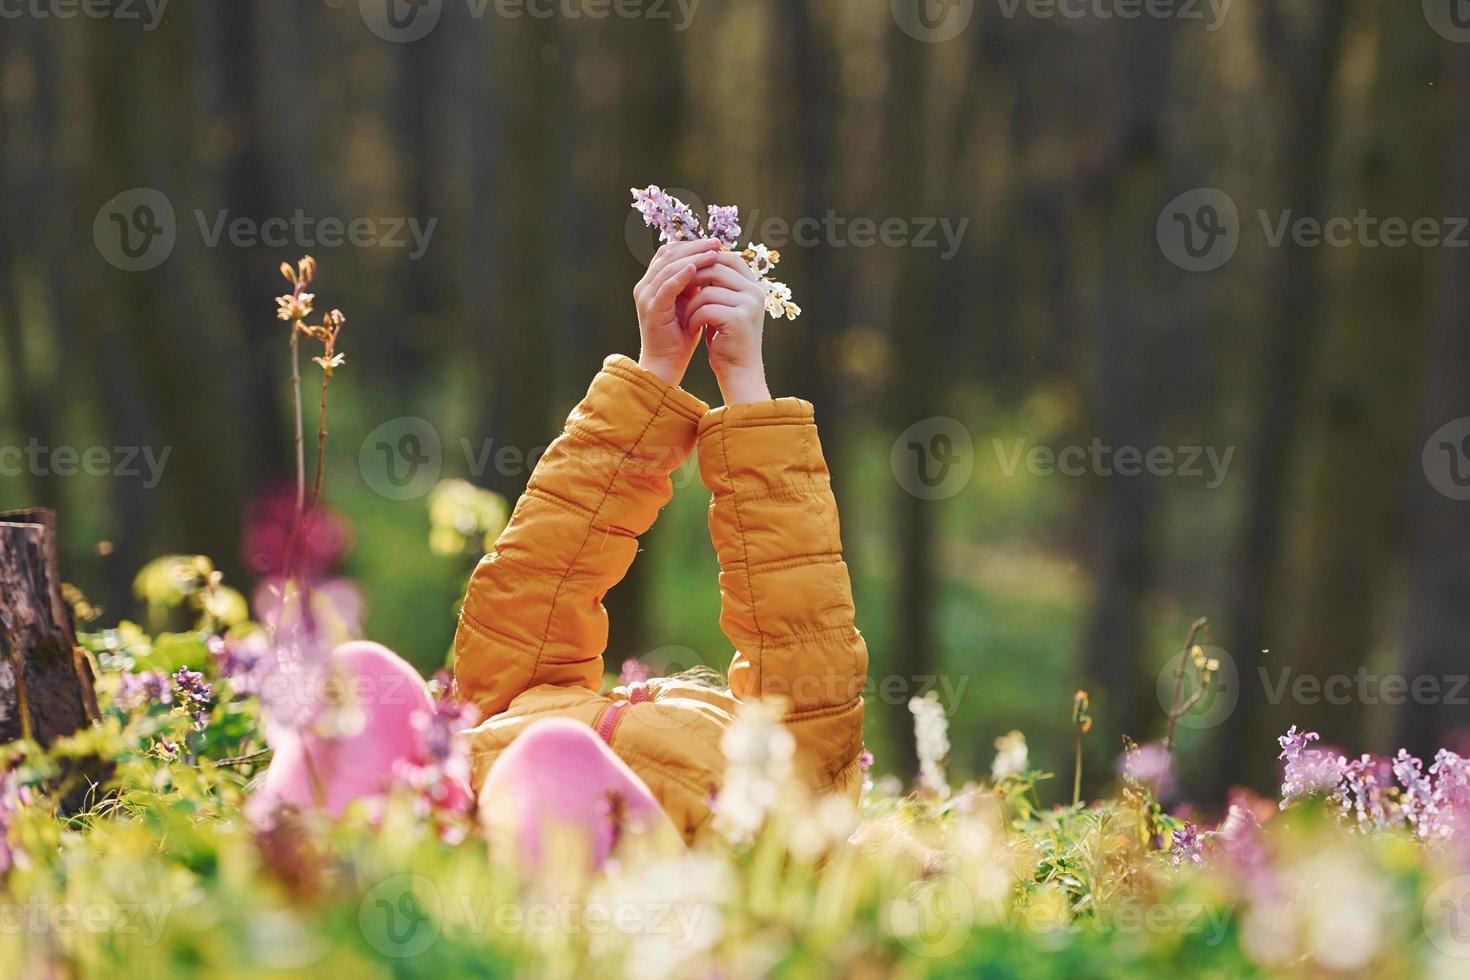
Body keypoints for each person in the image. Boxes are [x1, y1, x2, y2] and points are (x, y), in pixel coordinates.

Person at [453, 239, 868, 866]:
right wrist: (705, 384)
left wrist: (681, 380)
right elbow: (804, 639)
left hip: (514, 843)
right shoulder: (780, 787)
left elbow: (521, 613)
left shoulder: (777, 795)